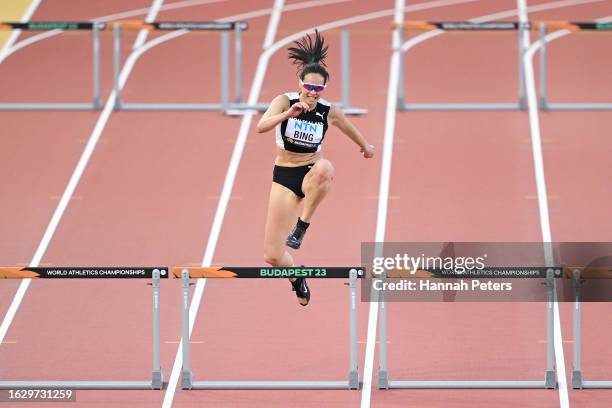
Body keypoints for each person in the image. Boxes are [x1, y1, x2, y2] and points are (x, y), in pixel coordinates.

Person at [256, 29, 374, 306]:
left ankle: (302, 226)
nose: (312, 92)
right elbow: (261, 127)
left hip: (310, 173)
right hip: (284, 176)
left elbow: (348, 127)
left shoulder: (328, 111)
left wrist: (365, 146)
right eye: (308, 86)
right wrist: (289, 113)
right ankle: (296, 277)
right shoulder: (284, 101)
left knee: (326, 167)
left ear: (324, 90)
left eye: (318, 89)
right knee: (272, 256)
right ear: (300, 83)